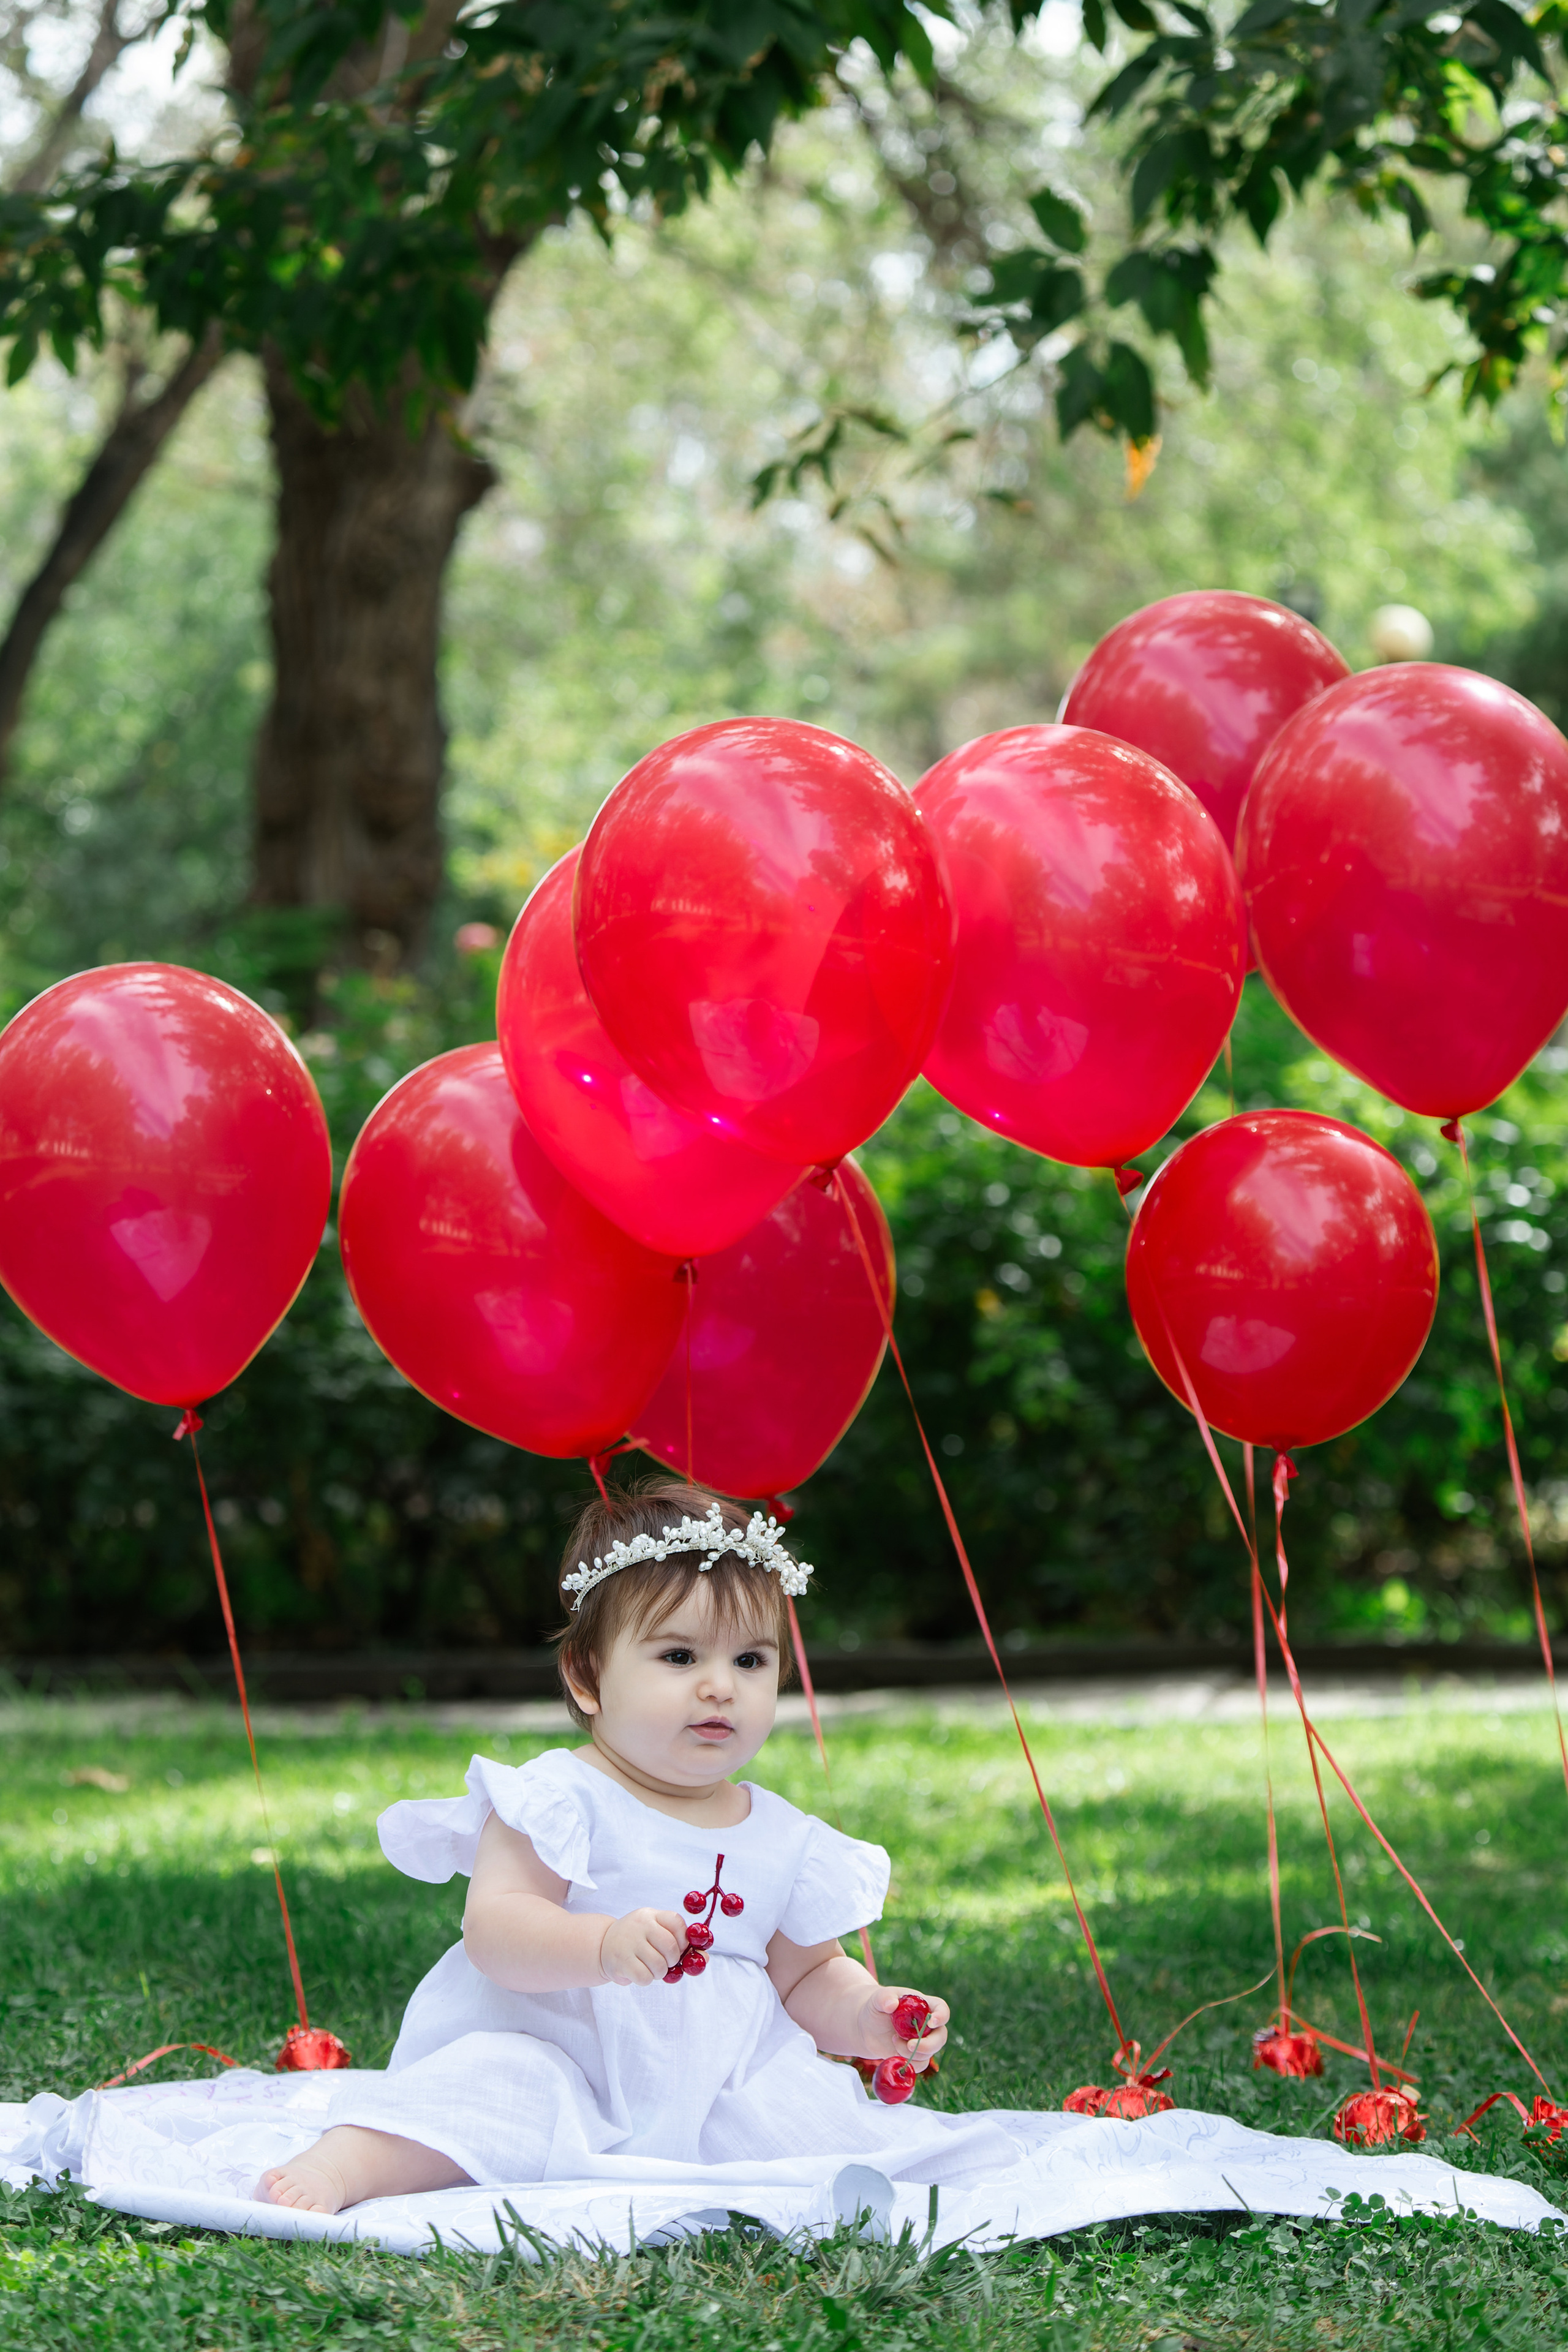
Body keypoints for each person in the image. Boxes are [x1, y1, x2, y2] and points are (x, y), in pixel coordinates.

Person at [259, 1479, 955, 2215]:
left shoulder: (782, 1835)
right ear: (588, 1678)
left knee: (806, 2118)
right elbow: (494, 1930)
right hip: (561, 2060)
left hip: (713, 2088)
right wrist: (600, 1945)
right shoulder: (560, 1797)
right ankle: (349, 2165)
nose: (720, 1686)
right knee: (489, 2092)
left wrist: (872, 2014)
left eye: (750, 1661)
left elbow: (807, 1976)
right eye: (680, 1657)